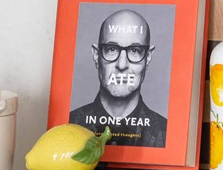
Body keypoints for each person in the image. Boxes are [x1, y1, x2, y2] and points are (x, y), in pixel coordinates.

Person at [69, 8, 168, 148]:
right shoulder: (69, 125)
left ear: (148, 57)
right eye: (112, 49)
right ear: (96, 55)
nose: (122, 65)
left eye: (135, 51)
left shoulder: (167, 135)